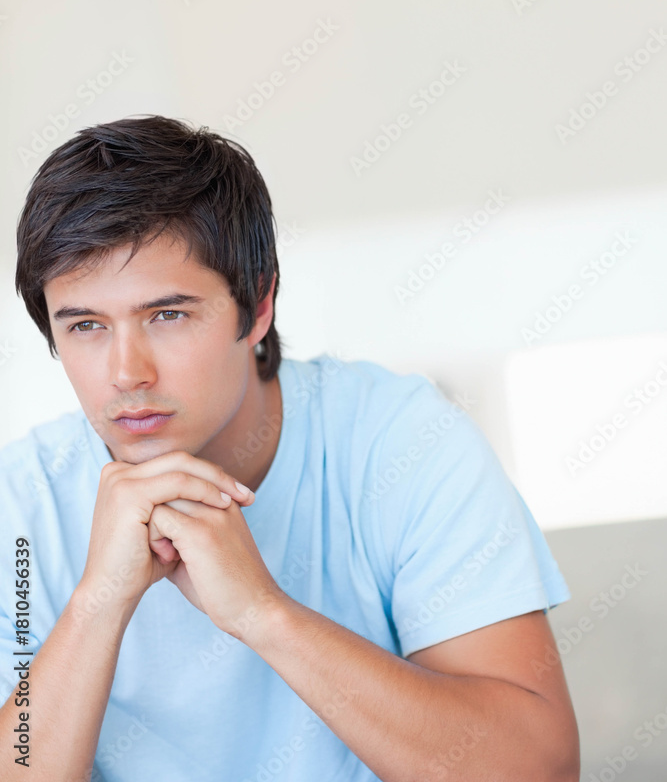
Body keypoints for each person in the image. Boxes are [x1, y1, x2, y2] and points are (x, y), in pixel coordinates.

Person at [0, 114, 579, 781]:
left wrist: (262, 613)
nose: (127, 373)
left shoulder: (402, 443)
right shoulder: (22, 507)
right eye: (86, 326)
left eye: (168, 315)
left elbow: (537, 771)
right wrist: (96, 606)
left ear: (258, 304)